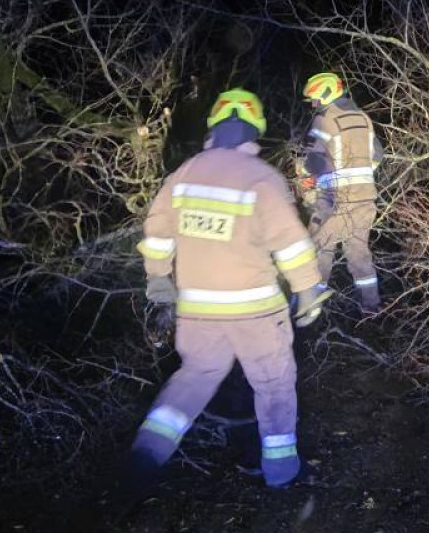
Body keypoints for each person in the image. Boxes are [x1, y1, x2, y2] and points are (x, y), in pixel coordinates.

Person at [123, 88, 332, 501]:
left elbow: (157, 232)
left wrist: (159, 280)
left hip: (198, 310)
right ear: (255, 130)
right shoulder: (261, 179)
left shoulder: (183, 175)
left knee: (193, 379)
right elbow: (290, 243)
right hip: (255, 310)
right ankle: (281, 471)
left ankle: (147, 452)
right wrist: (308, 288)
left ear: (213, 126)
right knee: (273, 384)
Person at [300, 72, 383, 313]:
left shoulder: (324, 120)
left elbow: (314, 162)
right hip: (366, 200)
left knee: (319, 249)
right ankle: (372, 306)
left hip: (335, 200)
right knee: (359, 255)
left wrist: (306, 167)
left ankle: (309, 309)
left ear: (325, 95)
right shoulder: (364, 118)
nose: (313, 105)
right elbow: (377, 156)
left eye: (314, 100)